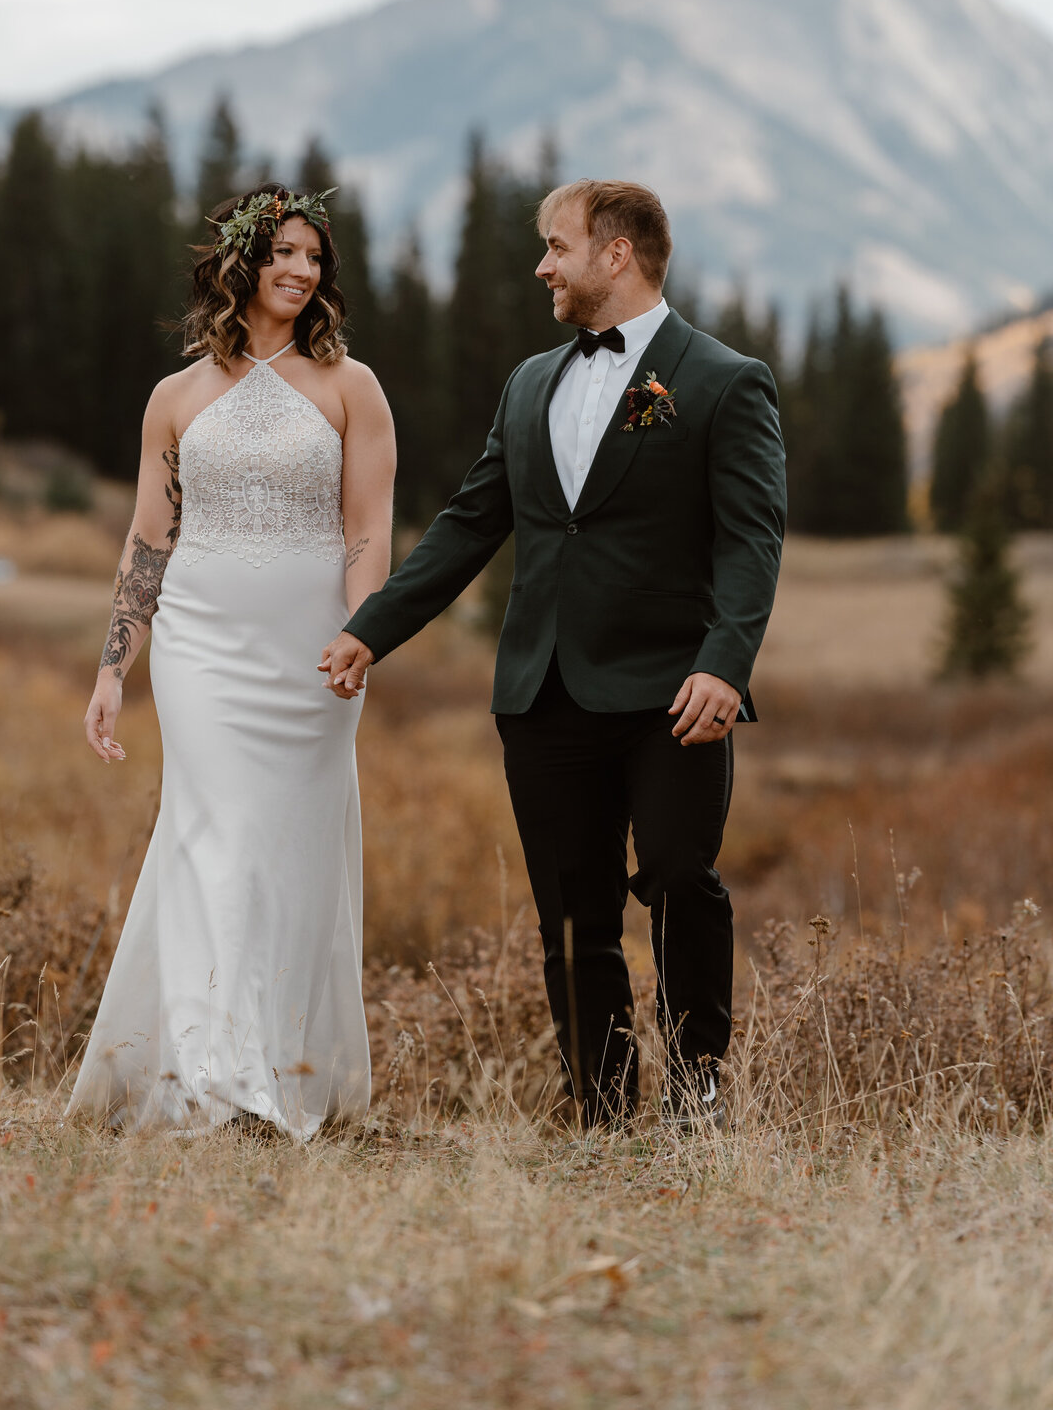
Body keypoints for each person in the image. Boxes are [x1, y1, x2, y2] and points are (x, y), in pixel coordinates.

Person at [321, 179, 785, 1128]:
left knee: (679, 880)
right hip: (544, 692)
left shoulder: (724, 380)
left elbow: (753, 539)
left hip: (674, 692)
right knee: (572, 919)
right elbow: (469, 523)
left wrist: (726, 662)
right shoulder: (530, 382)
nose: (542, 266)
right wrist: (373, 627)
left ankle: (698, 1107)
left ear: (617, 255)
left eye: (557, 247)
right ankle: (602, 1114)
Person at [69, 185, 396, 1137]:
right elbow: (146, 540)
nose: (300, 271)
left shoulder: (350, 386)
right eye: (283, 253)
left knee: (288, 855)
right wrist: (110, 670)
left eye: (314, 258)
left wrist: (361, 631)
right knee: (211, 839)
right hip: (201, 647)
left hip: (312, 656)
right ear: (240, 263)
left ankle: (284, 1067)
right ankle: (215, 1078)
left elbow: (368, 530)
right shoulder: (175, 398)